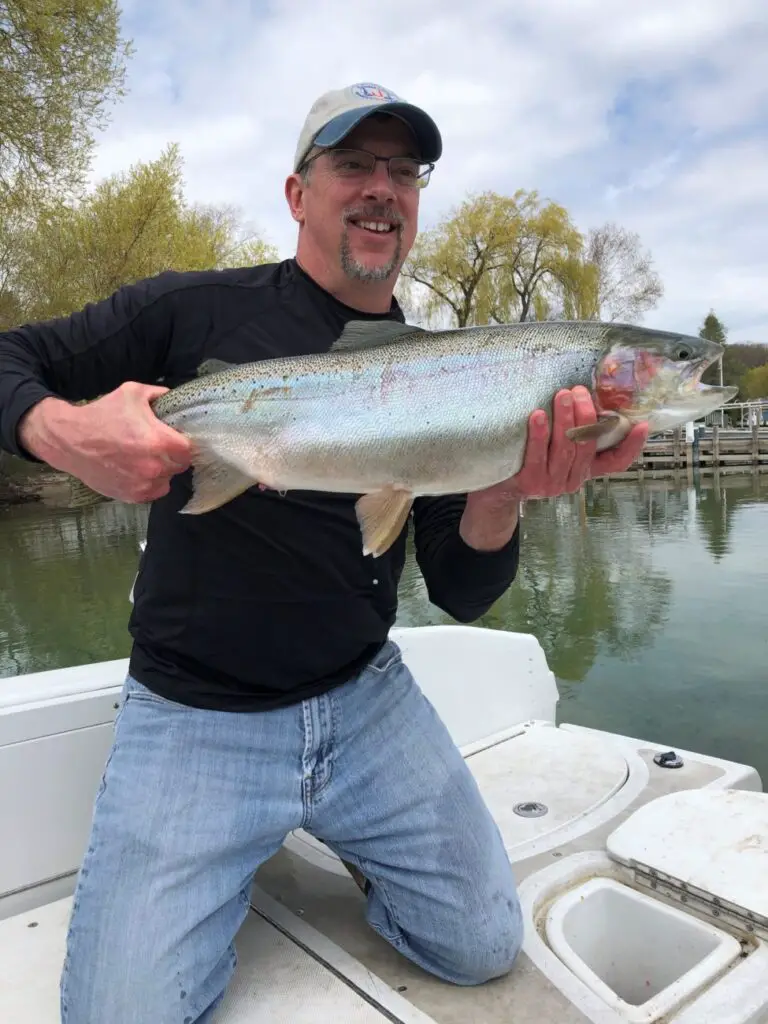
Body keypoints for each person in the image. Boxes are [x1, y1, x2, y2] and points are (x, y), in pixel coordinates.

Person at [0, 82, 647, 1023]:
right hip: (194, 714)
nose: (381, 187)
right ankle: (239, 844)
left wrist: (504, 487)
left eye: (403, 170)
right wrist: (62, 432)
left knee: (479, 947)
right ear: (299, 193)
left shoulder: (451, 374)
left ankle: (344, 830)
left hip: (366, 699)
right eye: (353, 164)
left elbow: (463, 589)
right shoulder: (191, 313)